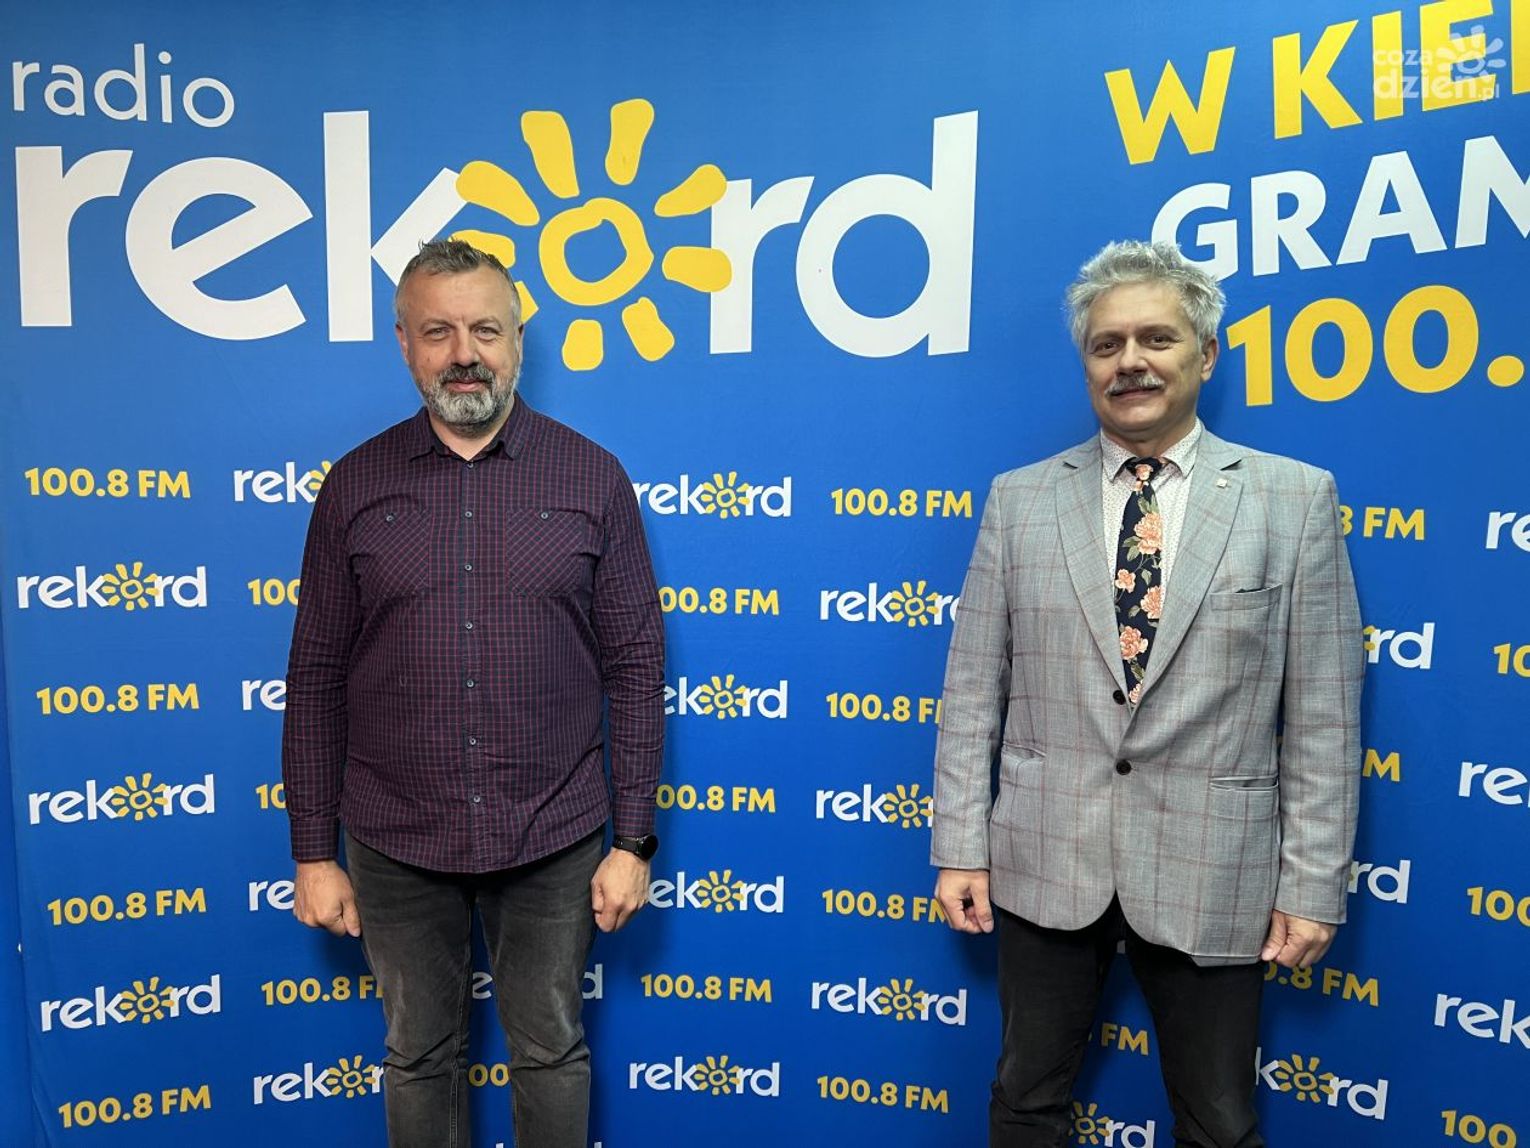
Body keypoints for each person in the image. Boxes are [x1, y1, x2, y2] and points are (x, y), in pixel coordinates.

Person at [931, 239, 1362, 1148]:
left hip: (1216, 865)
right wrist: (960, 845)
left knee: (1219, 1122)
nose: (1130, 361)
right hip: (1046, 859)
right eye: (1107, 344)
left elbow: (1324, 716)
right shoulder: (1018, 500)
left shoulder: (1295, 500)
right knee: (1024, 1102)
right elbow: (971, 691)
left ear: (1205, 354)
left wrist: (1313, 883)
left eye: (1156, 339)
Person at [281, 238, 664, 1148]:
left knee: (550, 1052)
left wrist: (633, 841)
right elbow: (317, 674)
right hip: (395, 836)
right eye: (438, 332)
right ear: (404, 343)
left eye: (486, 330)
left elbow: (636, 666)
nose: (465, 354)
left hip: (554, 833)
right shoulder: (353, 486)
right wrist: (313, 852)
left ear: (519, 339)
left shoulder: (592, 478)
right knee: (418, 1057)